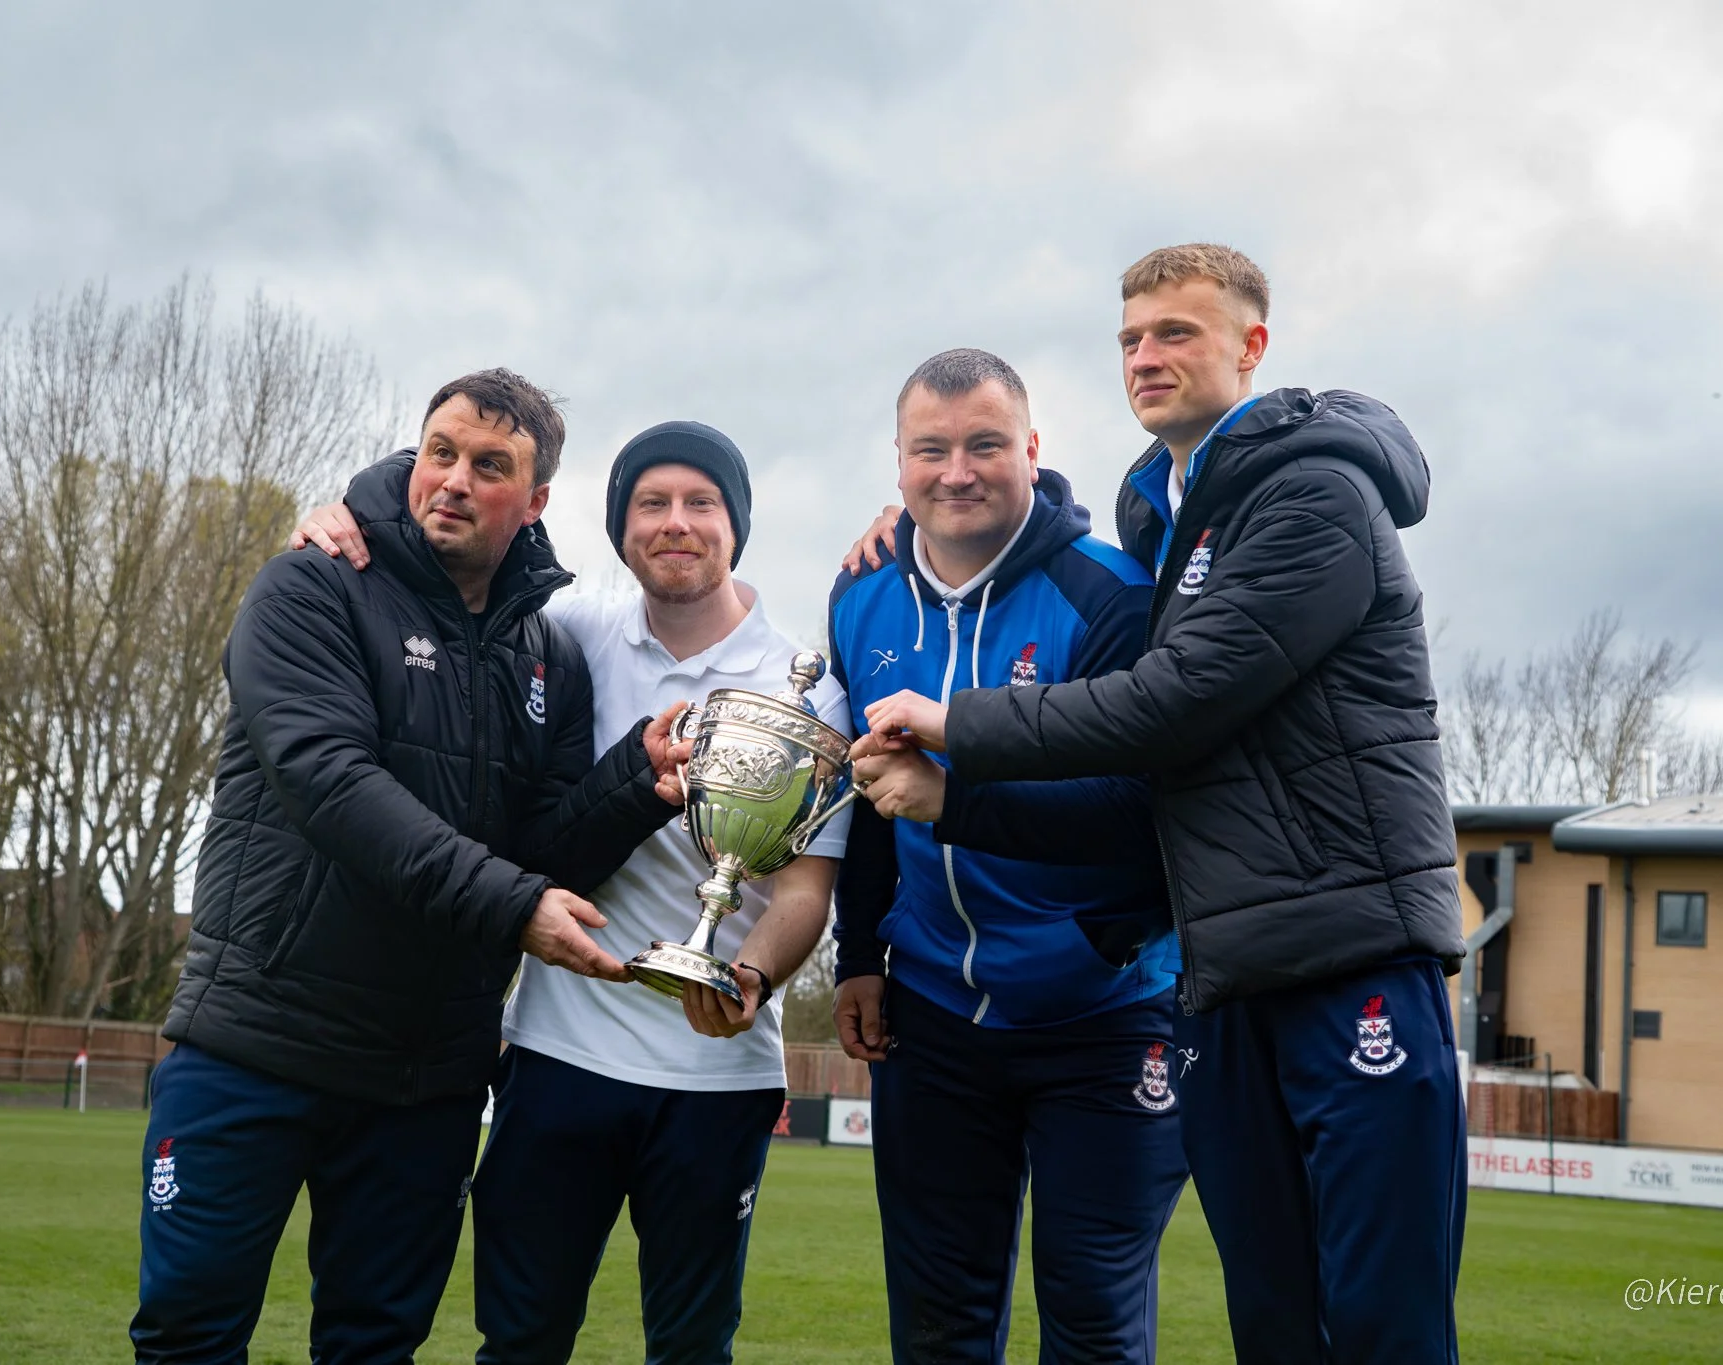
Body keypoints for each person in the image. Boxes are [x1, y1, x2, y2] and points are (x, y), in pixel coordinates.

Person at [855, 247, 1470, 1364]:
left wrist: (958, 728)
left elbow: (1174, 703)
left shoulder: (1314, 494)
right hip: (1224, 969)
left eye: (1176, 333)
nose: (1145, 356)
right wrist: (910, 528)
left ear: (1251, 348)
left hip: (1351, 950)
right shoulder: (1168, 516)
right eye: (1130, 337)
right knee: (1274, 1321)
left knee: (1381, 1324)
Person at [133, 369, 690, 1364]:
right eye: (440, 452)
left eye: (490, 466)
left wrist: (631, 784)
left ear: (535, 501)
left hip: (425, 1081)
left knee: (375, 1346)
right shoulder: (311, 585)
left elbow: (534, 855)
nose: (454, 481)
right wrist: (516, 905)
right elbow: (330, 784)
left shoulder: (548, 660)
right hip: (255, 1043)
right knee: (189, 1336)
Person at [289, 420, 848, 1364]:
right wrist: (345, 520)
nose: (677, 524)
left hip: (719, 1072)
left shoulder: (809, 689)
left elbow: (805, 887)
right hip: (558, 1055)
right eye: (651, 504)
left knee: (691, 1345)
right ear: (621, 526)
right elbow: (442, 580)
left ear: (735, 523)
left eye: (700, 502)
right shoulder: (564, 638)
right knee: (520, 1339)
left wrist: (746, 977)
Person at [830, 348, 1190, 1364]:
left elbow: (1145, 812)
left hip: (1107, 1010)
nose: (957, 472)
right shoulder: (859, 596)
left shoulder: (1113, 594)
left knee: (1092, 1323)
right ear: (896, 465)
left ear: (1031, 451)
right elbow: (864, 792)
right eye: (929, 450)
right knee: (937, 1329)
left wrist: (957, 800)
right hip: (934, 1018)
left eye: (984, 445)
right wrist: (860, 953)